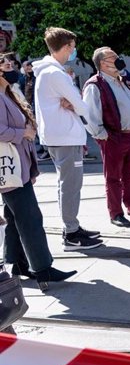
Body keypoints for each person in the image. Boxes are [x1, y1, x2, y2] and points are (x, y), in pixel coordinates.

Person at [0, 53, 77, 288]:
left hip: (18, 165)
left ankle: (17, 262)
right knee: (30, 216)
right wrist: (22, 133)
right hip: (9, 167)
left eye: (11, 64)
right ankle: (43, 268)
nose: (10, 67)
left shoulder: (8, 93)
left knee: (15, 216)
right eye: (4, 64)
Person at [33, 28, 103, 251]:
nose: (74, 51)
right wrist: (75, 104)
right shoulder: (55, 74)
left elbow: (75, 103)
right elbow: (82, 106)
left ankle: (72, 227)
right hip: (65, 136)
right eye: (72, 47)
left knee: (66, 184)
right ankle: (71, 233)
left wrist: (72, 103)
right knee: (71, 186)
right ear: (65, 47)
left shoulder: (47, 71)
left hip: (58, 136)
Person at [83, 47, 130, 227]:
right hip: (113, 138)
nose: (118, 59)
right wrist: (103, 136)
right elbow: (90, 115)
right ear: (102, 63)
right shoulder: (94, 85)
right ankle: (115, 213)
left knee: (129, 174)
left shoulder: (120, 81)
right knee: (113, 177)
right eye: (112, 57)